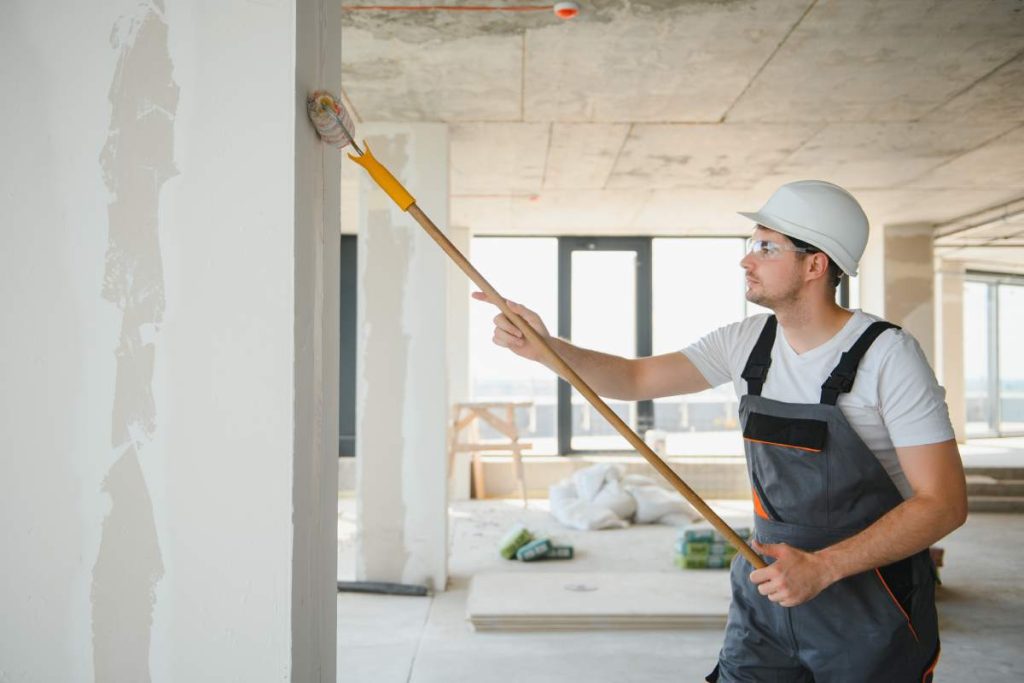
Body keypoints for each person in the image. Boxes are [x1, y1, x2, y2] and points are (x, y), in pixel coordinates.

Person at [473, 180, 967, 682]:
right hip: (768, 595)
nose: (746, 261)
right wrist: (546, 347)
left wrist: (822, 568)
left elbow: (943, 503)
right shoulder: (747, 342)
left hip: (871, 606)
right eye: (752, 244)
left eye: (766, 247)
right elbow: (634, 378)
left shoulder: (888, 356)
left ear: (816, 265)